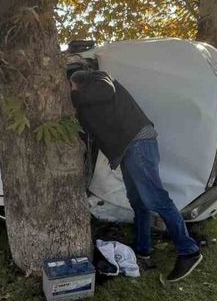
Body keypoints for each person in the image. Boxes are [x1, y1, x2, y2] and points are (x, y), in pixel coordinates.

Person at [69, 69, 202, 282]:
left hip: (137, 142)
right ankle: (143, 249)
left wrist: (73, 97)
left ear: (76, 82)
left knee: (154, 198)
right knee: (138, 201)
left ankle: (189, 251)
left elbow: (105, 90)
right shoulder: (88, 103)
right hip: (127, 149)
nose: (71, 92)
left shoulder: (99, 78)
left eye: (71, 87)